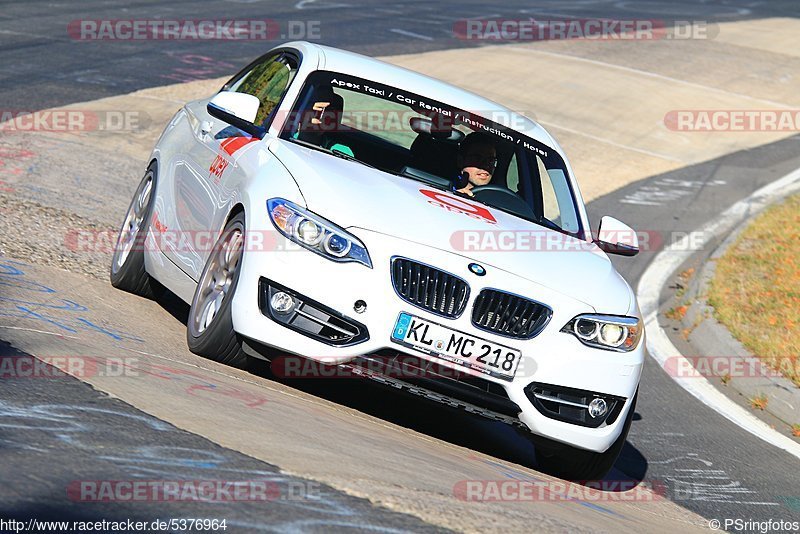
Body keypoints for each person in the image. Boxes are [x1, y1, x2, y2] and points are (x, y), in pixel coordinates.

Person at [454, 132, 497, 197]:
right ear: (461, 161)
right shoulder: (444, 189)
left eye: (490, 160)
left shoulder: (500, 199)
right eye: (477, 158)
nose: (485, 165)